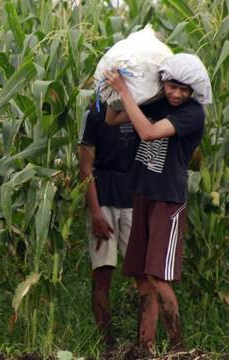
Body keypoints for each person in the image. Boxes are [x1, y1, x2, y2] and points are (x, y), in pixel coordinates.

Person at [103, 54, 210, 354]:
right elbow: (112, 119)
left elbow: (148, 133)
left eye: (183, 89)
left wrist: (125, 91)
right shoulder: (154, 102)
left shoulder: (192, 114)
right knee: (142, 279)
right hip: (143, 195)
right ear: (164, 83)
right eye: (172, 87)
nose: (176, 94)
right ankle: (145, 348)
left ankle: (180, 349)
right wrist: (120, 91)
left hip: (168, 201)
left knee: (158, 278)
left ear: (192, 92)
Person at [78, 101, 139, 351]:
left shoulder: (142, 109)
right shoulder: (94, 113)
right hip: (103, 200)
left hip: (135, 199)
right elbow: (85, 167)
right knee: (103, 272)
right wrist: (95, 213)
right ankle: (107, 344)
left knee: (144, 275)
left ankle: (144, 343)